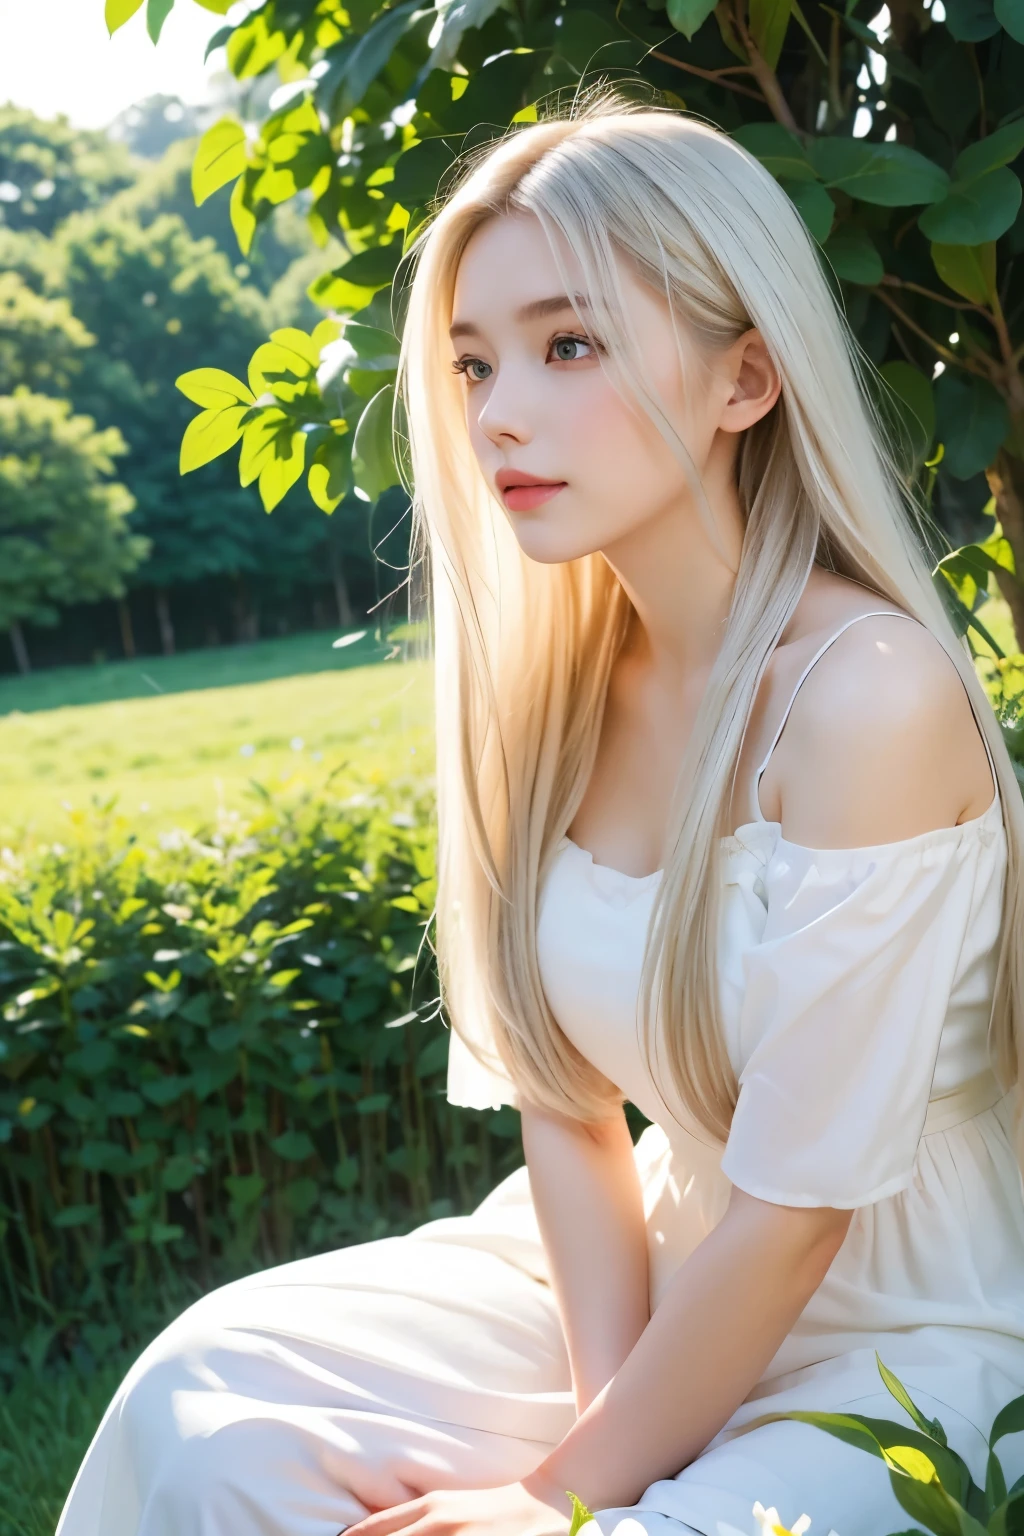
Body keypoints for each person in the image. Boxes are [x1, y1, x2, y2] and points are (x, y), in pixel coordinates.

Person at [56, 88, 1024, 1536]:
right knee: (211, 1410)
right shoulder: (552, 692)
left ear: (744, 379)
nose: (499, 413)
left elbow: (801, 1215)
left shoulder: (865, 697)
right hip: (660, 1271)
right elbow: (570, 1121)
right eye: (471, 363)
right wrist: (605, 1419)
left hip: (912, 1329)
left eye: (568, 345)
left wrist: (566, 1499)